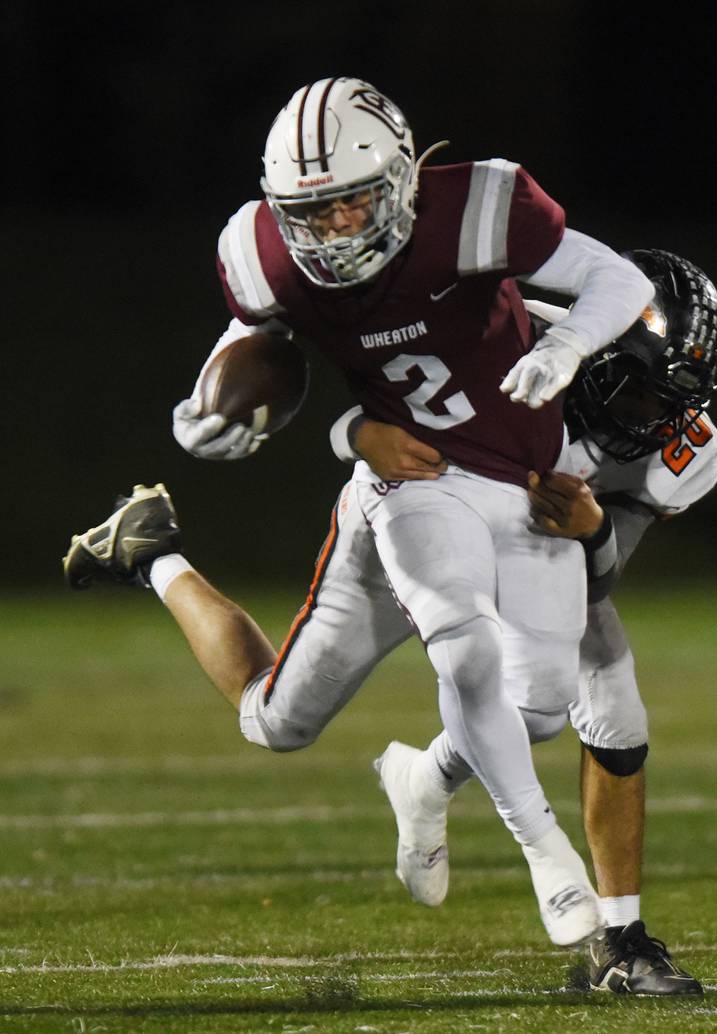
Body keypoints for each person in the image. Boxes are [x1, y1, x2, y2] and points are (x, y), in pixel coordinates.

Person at [68, 76, 656, 950]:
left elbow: (614, 278)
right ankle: (154, 549)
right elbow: (254, 344)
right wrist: (224, 409)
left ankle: (426, 780)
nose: (334, 228)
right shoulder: (263, 254)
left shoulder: (479, 209)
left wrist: (568, 344)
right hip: (404, 492)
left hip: (513, 488)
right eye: (313, 212)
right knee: (276, 723)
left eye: (351, 204)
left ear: (399, 182)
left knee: (536, 707)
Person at [331, 249, 717, 995]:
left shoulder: (685, 450)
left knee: (569, 703)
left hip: (553, 549)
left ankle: (432, 780)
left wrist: (593, 529)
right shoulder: (510, 345)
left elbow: (601, 577)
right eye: (643, 398)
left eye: (673, 405)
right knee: (294, 708)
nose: (656, 422)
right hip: (435, 526)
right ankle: (621, 938)